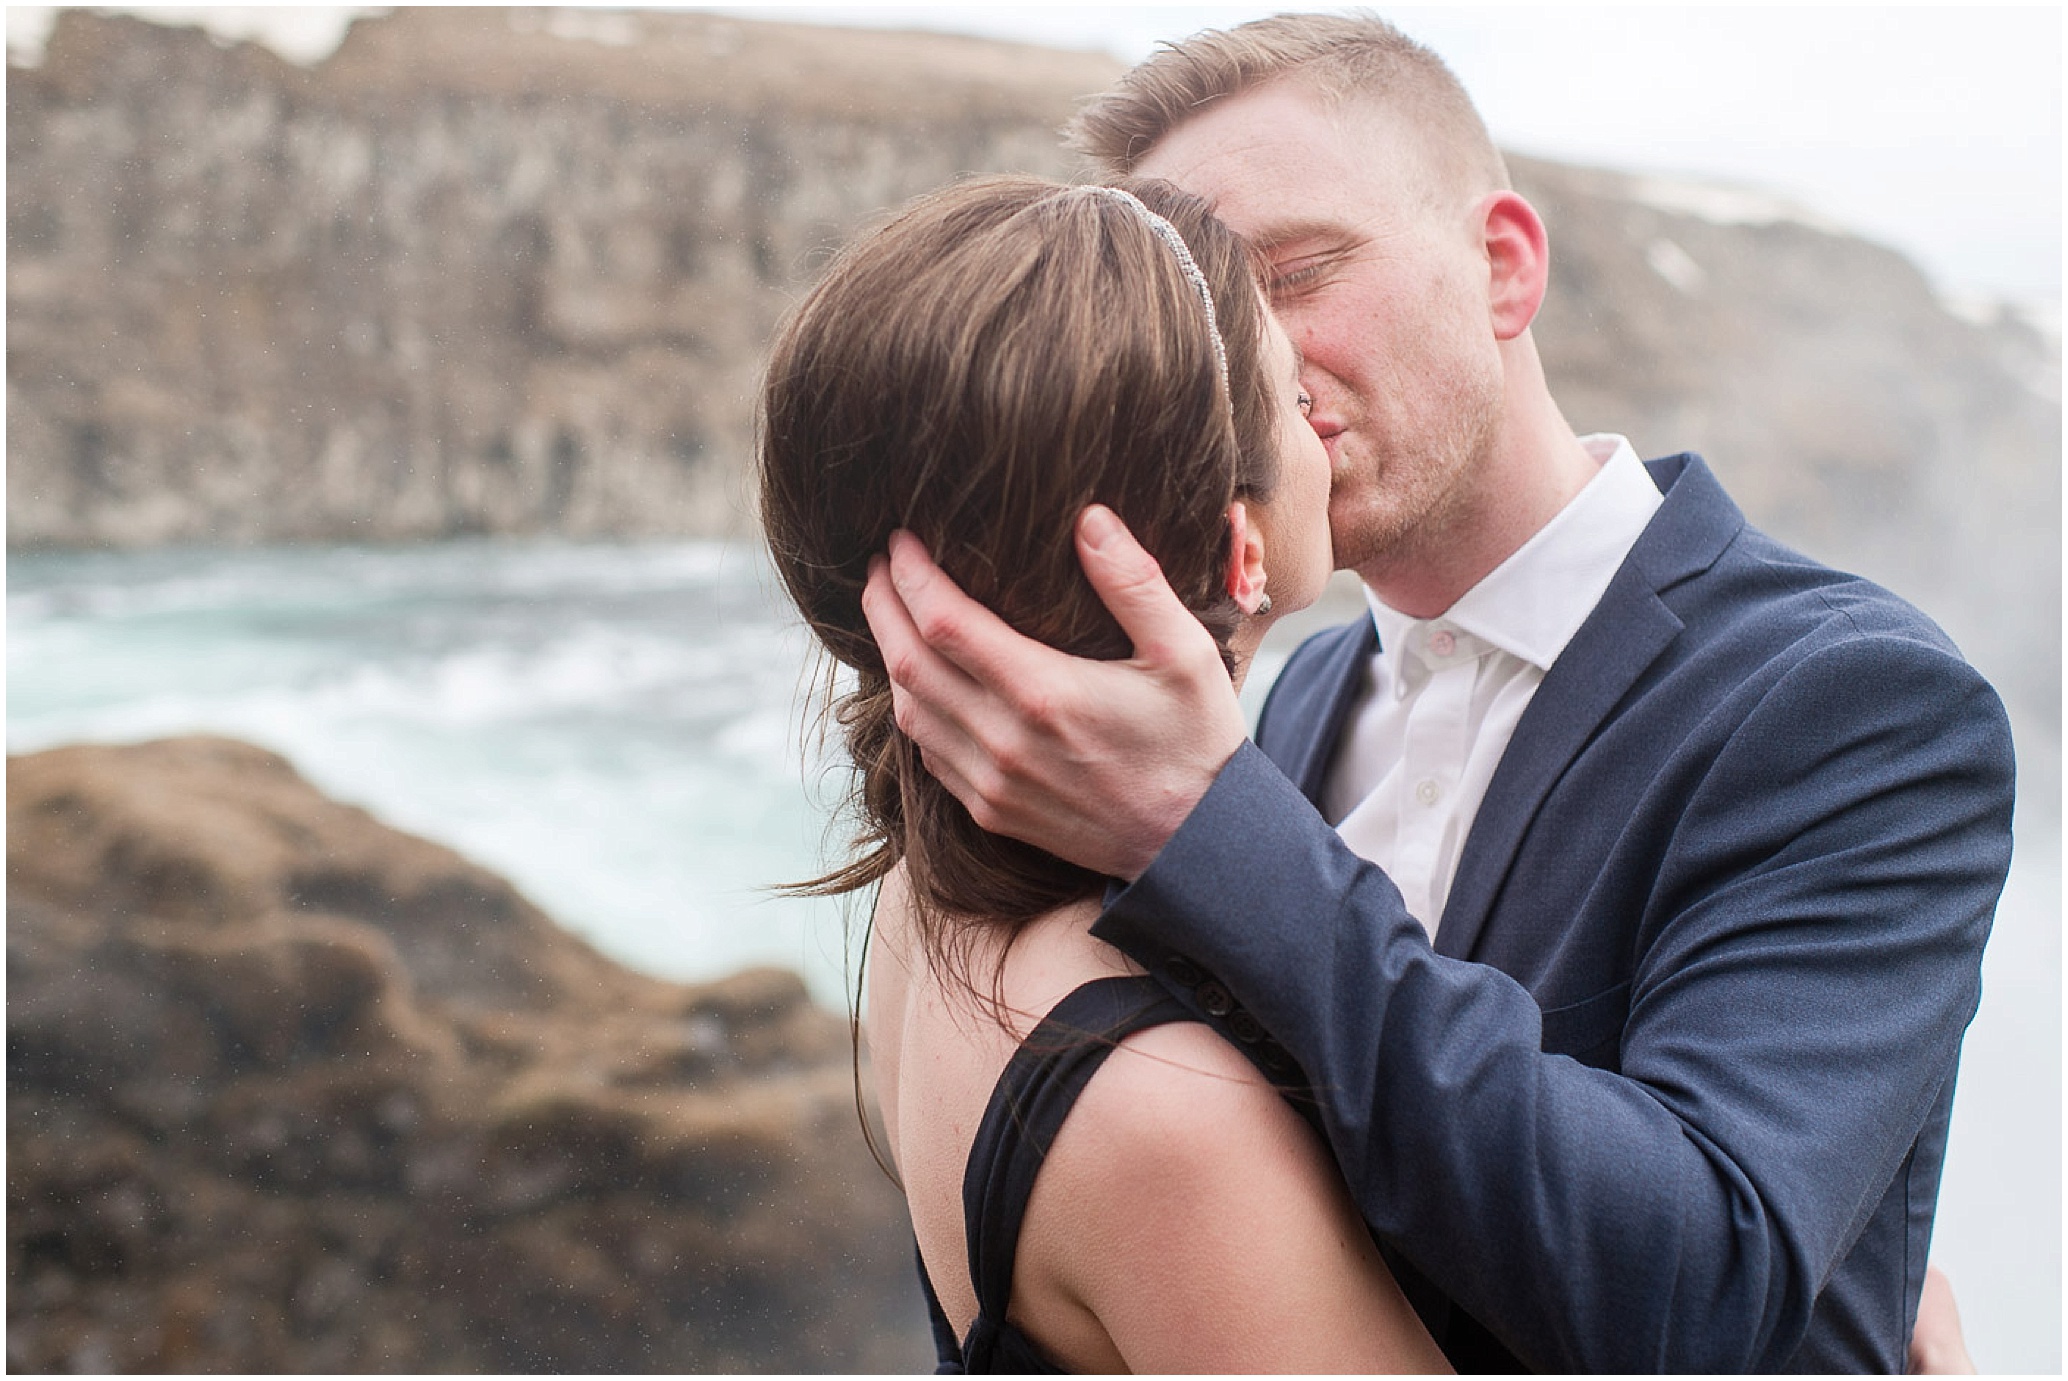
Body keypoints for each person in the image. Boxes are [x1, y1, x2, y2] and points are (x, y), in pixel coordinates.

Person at [860, 14, 2017, 1373]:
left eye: (1298, 272)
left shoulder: (1853, 704)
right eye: (1211, 321)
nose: (1257, 369)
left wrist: (1219, 828)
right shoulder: (1291, 704)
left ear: (1504, 267)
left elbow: (1704, 1283)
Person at [758, 174, 1448, 1372]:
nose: (1318, 416)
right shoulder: (1168, 1120)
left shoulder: (930, 900)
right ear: (1239, 546)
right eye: (1290, 396)